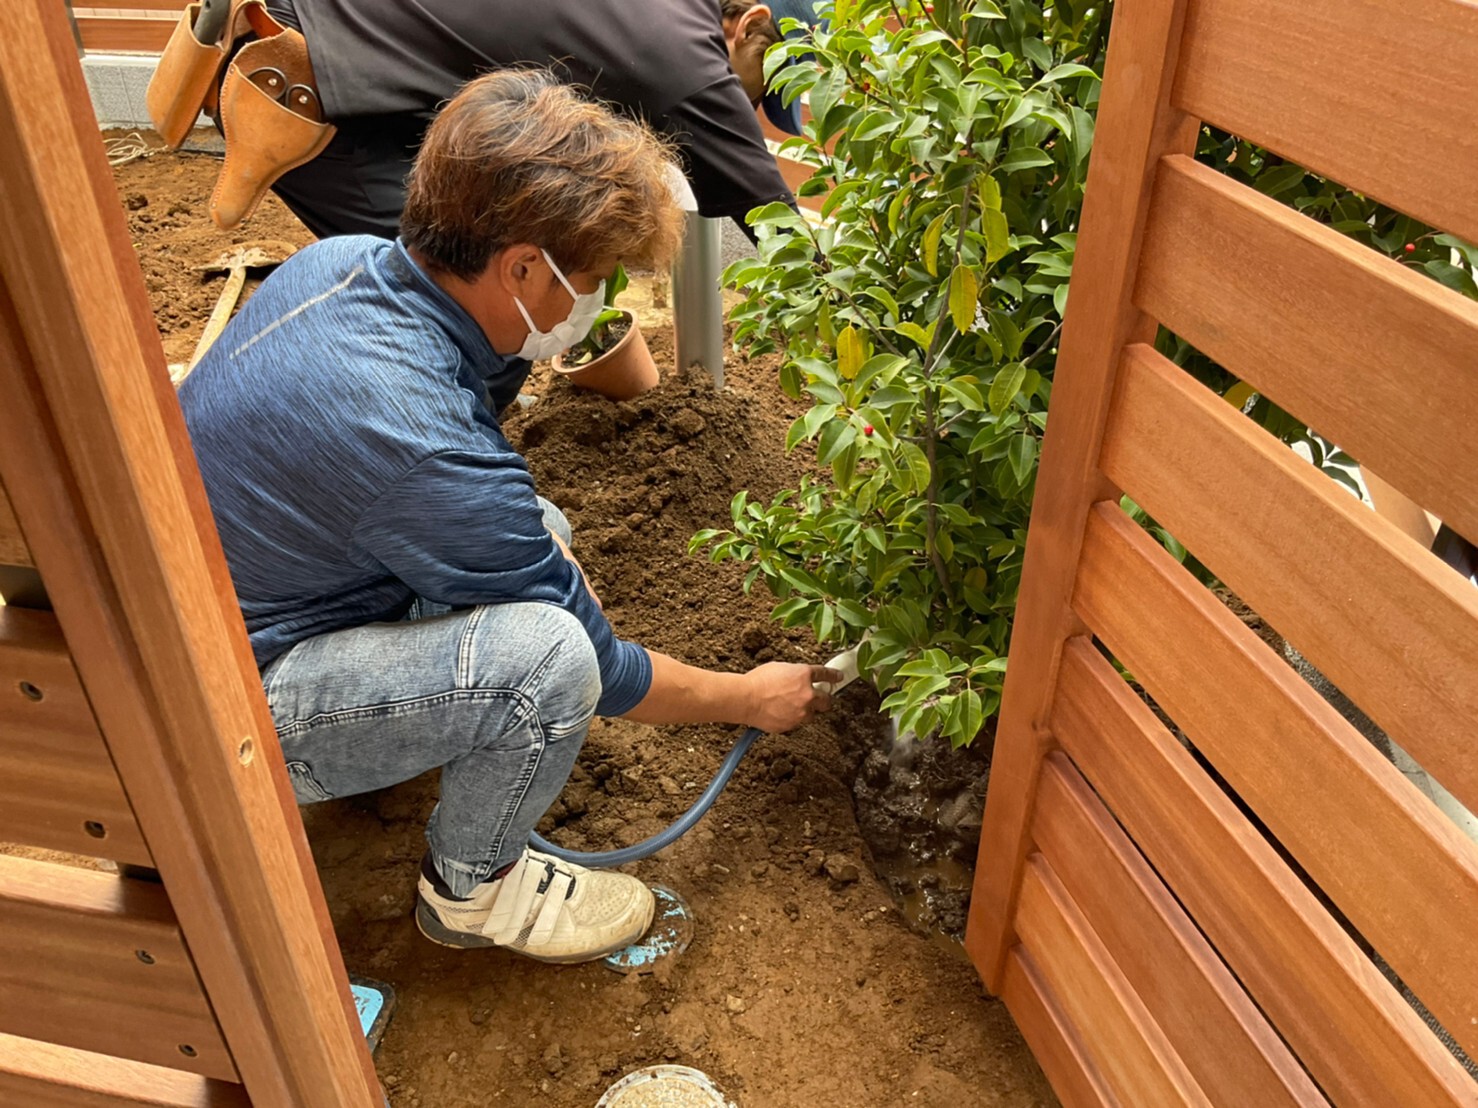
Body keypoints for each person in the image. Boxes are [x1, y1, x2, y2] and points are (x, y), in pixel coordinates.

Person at [179, 70, 836, 964]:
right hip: (224, 719)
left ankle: (401, 741)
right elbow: (605, 673)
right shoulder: (423, 446)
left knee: (539, 530)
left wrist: (536, 562)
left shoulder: (346, 264)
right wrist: (750, 697)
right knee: (546, 664)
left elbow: (467, 499)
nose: (596, 304)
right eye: (592, 280)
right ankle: (473, 891)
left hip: (204, 612)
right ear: (522, 268)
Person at [254, 0, 818, 240]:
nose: (747, 106)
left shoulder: (663, 14)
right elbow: (780, 229)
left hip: (351, 62)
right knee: (471, 289)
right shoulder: (687, 61)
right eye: (765, 86)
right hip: (303, 75)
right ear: (748, 25)